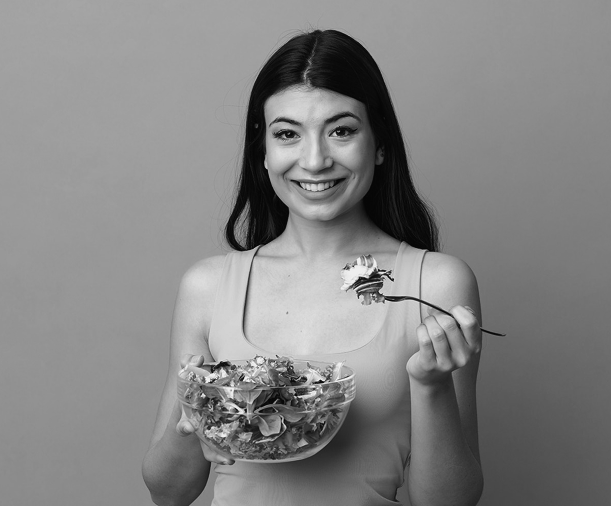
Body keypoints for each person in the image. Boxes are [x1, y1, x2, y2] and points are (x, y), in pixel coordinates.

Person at [142, 29, 484, 506]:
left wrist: (432, 386)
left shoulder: (438, 284)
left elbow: (449, 502)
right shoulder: (208, 286)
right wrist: (193, 418)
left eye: (341, 131)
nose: (316, 160)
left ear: (379, 144)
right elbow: (169, 492)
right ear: (263, 152)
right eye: (287, 134)